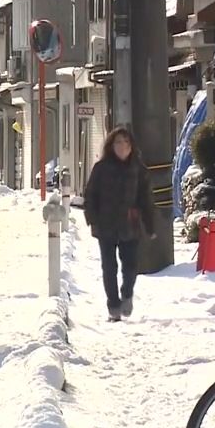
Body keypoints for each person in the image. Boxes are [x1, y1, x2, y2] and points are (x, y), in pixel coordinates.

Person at [83, 126, 156, 321]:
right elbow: (90, 195)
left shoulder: (139, 169)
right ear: (111, 146)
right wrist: (92, 218)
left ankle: (127, 294)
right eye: (118, 143)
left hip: (130, 224)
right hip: (106, 224)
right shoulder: (101, 168)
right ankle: (113, 306)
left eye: (126, 143)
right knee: (109, 267)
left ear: (132, 146)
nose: (122, 147)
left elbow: (146, 199)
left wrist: (150, 225)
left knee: (131, 266)